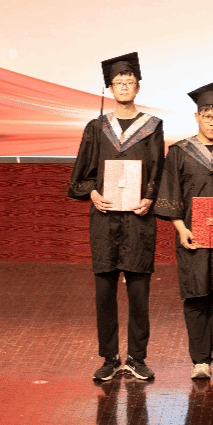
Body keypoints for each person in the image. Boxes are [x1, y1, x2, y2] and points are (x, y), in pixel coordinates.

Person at [67, 51, 162, 382]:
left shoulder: (152, 127)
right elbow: (81, 176)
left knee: (139, 294)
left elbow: (157, 170)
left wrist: (149, 198)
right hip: (105, 221)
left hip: (138, 220)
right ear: (110, 87)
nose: (124, 86)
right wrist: (93, 193)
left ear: (138, 87)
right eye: (118, 82)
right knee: (105, 294)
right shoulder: (97, 128)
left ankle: (137, 357)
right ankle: (109, 357)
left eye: (129, 81)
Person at [155, 81, 213, 381]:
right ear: (197, 117)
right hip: (192, 235)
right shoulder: (180, 152)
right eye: (207, 116)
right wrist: (180, 228)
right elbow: (170, 192)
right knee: (195, 295)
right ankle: (199, 361)